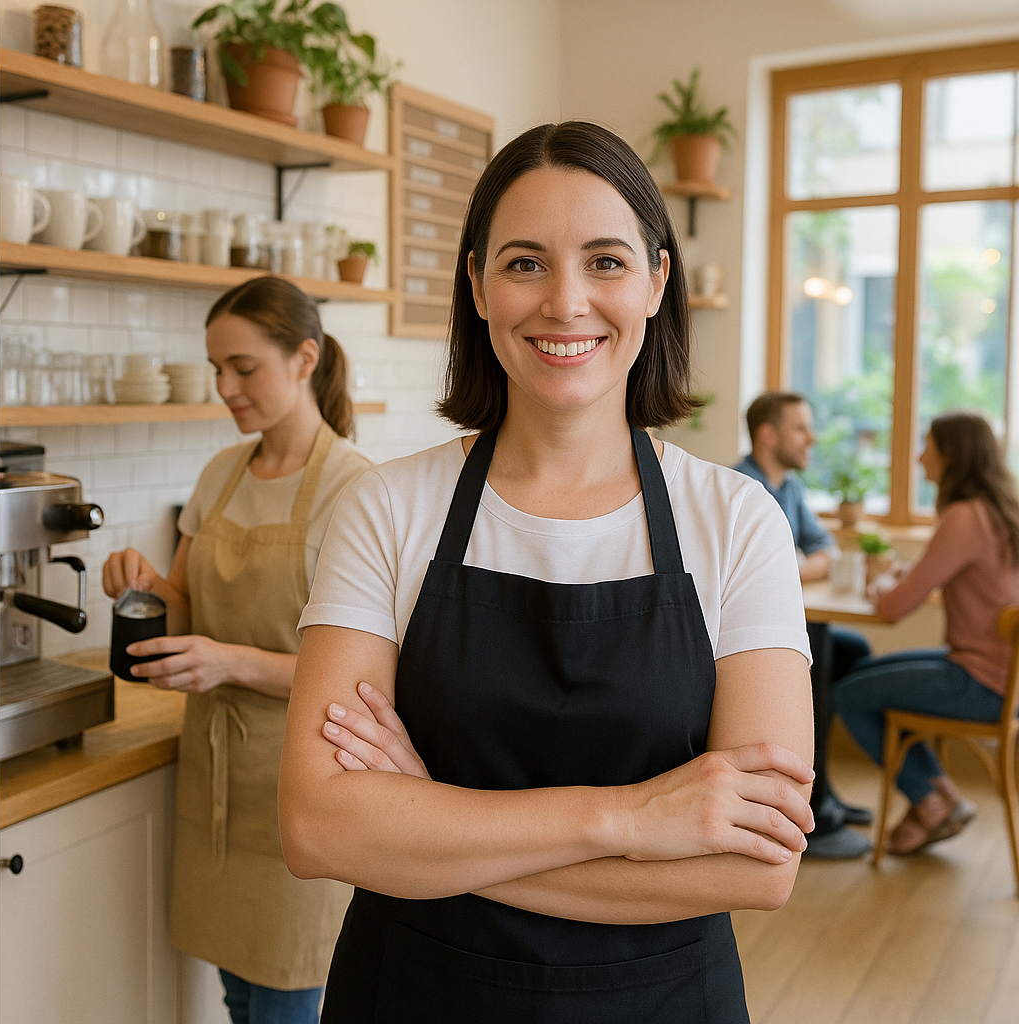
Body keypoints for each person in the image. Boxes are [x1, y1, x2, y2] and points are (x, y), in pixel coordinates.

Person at [278, 121, 815, 1024]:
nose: (566, 302)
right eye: (525, 263)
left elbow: (756, 866)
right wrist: (630, 819)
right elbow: (318, 828)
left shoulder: (737, 521)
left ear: (656, 281)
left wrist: (429, 818)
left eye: (606, 261)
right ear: (477, 284)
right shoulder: (387, 508)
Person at [101, 276, 373, 1024]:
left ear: (304, 359)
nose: (225, 388)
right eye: (216, 368)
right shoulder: (220, 473)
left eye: (243, 368)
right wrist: (144, 583)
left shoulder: (354, 488)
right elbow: (186, 607)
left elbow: (365, 677)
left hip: (303, 781)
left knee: (286, 1000)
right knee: (239, 999)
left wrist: (230, 663)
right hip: (214, 774)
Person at [834, 411, 1019, 855]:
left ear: (951, 454)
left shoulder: (964, 517)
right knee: (862, 671)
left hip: (981, 683)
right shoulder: (998, 511)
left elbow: (894, 608)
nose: (919, 458)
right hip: (1002, 676)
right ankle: (940, 797)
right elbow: (932, 575)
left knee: (847, 694)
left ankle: (930, 800)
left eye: (927, 447)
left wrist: (883, 582)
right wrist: (905, 578)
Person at [733, 391, 873, 859]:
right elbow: (759, 574)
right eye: (801, 428)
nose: (812, 438)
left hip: (788, 620)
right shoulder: (742, 489)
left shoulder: (789, 488)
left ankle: (823, 790)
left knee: (852, 651)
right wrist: (801, 565)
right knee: (819, 652)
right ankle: (812, 811)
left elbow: (825, 549)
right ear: (767, 435)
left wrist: (796, 566)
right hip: (743, 635)